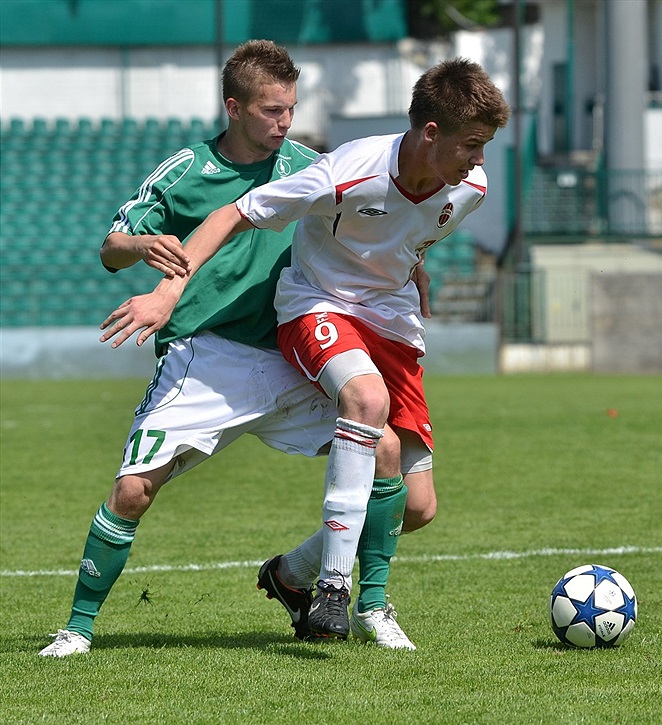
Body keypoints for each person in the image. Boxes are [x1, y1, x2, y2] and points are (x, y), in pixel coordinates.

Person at [99, 58, 511, 640]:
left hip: (388, 320)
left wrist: (413, 262)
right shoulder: (341, 170)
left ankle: (293, 575)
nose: (481, 160)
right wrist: (167, 290)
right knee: (364, 402)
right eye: (473, 144)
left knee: (415, 508)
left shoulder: (469, 187)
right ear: (431, 133)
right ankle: (347, 596)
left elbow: (408, 229)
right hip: (307, 309)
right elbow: (226, 215)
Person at [39, 40, 425, 657]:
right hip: (206, 356)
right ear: (233, 107)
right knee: (134, 491)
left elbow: (369, 220)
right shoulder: (187, 170)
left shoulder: (307, 163)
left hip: (289, 350)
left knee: (380, 449)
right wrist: (141, 249)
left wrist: (406, 262)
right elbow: (112, 245)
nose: (285, 123)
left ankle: (372, 606)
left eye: (291, 109)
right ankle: (77, 629)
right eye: (272, 110)